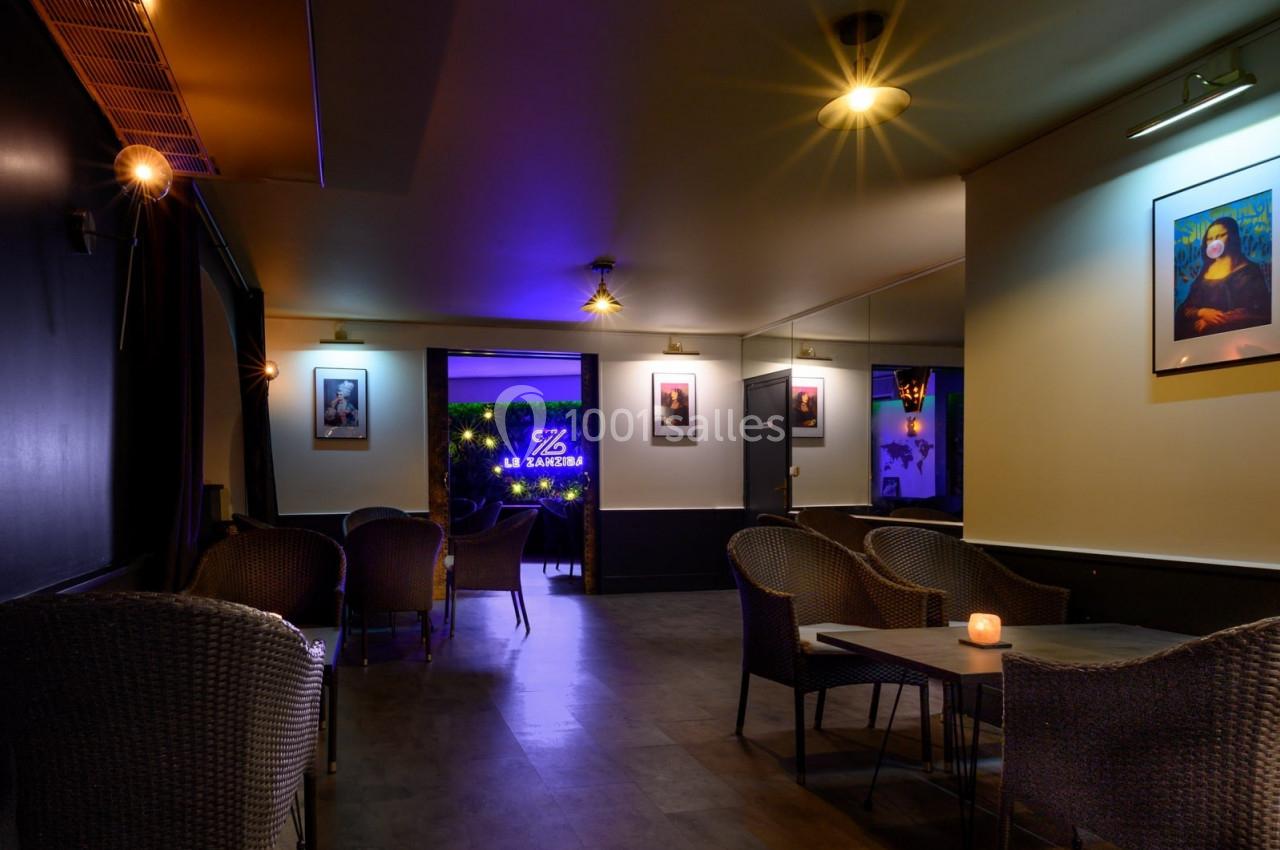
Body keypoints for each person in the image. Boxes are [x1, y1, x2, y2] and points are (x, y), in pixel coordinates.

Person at [1175, 216, 1271, 340]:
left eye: (1220, 236)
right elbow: (1187, 307)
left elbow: (1258, 310)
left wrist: (1213, 320)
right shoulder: (1206, 270)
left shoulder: (1249, 271)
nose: (1214, 242)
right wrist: (1202, 312)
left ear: (1232, 236)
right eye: (1210, 239)